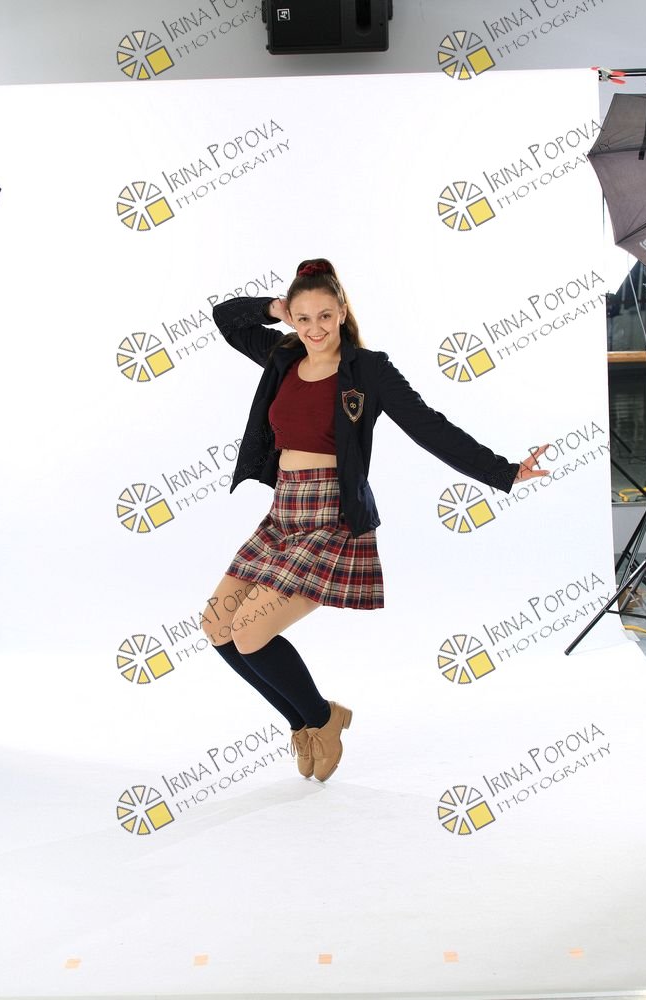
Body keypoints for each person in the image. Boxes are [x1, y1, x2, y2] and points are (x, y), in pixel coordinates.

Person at [202, 259, 549, 783]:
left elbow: (430, 427)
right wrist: (274, 308)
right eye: (303, 318)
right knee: (217, 625)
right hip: (284, 512)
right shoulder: (283, 356)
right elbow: (226, 318)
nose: (314, 329)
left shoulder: (368, 371)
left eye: (324, 315)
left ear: (342, 311)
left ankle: (320, 720)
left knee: (250, 631)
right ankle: (309, 722)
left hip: (331, 516)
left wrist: (503, 471)